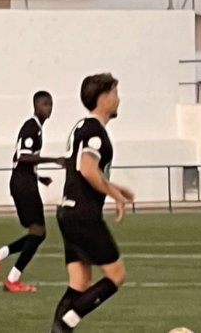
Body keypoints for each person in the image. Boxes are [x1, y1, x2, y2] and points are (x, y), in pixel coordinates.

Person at [50, 73, 135, 333]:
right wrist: (114, 195)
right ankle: (66, 323)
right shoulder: (94, 131)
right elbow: (87, 169)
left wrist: (114, 188)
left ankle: (58, 331)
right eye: (115, 93)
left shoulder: (81, 127)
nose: (118, 99)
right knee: (116, 275)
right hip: (83, 215)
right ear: (103, 97)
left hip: (67, 211)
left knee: (79, 282)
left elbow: (82, 170)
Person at [0, 90, 67, 293]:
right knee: (38, 232)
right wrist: (54, 160)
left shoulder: (36, 129)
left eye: (50, 104)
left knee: (37, 233)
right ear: (36, 106)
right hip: (23, 185)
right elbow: (22, 157)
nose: (49, 108)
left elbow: (19, 159)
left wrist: (39, 177)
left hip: (25, 181)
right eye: (45, 104)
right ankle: (12, 279)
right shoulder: (31, 128)